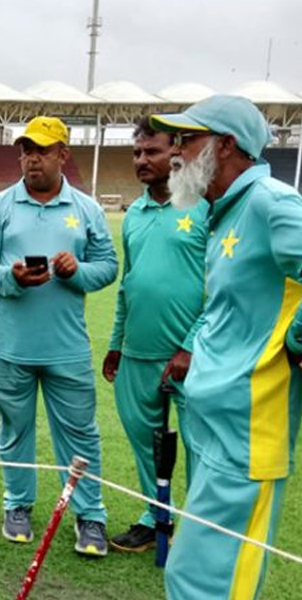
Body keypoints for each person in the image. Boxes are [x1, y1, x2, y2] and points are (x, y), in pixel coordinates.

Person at [150, 95, 302, 599]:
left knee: (214, 585)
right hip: (215, 425)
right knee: (189, 575)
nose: (175, 152)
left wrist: (298, 335)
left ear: (227, 145)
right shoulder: (223, 212)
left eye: (188, 139)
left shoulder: (271, 203)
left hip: (249, 432)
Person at [0, 116, 118, 556]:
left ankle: (90, 516)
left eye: (42, 150)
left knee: (81, 433)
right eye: (26, 150)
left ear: (62, 155)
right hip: (7, 347)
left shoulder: (87, 209)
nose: (32, 158)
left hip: (67, 348)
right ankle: (17, 506)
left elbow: (108, 266)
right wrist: (11, 276)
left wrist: (78, 272)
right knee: (15, 430)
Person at [102, 117, 207, 552]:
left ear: (176, 153)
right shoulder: (134, 215)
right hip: (139, 352)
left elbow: (221, 288)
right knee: (144, 440)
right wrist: (115, 343)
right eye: (137, 153)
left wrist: (189, 345)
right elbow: (130, 284)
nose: (142, 160)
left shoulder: (204, 207)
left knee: (202, 447)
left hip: (195, 356)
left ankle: (202, 529)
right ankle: (155, 516)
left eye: (152, 152)